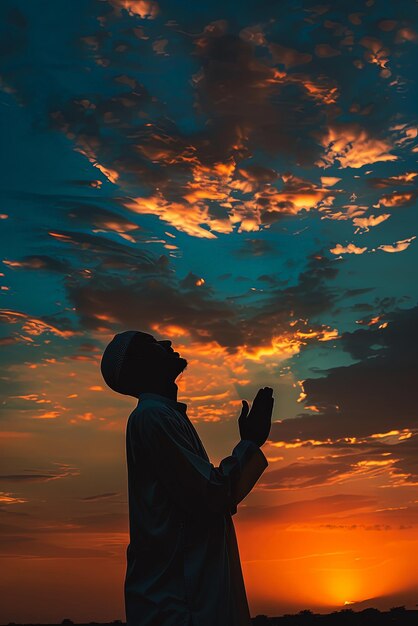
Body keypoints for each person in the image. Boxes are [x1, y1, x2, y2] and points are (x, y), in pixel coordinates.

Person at [100, 330, 274, 626]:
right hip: (179, 606)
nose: (166, 343)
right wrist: (250, 443)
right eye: (152, 343)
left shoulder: (164, 415)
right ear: (138, 364)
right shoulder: (153, 417)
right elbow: (212, 495)